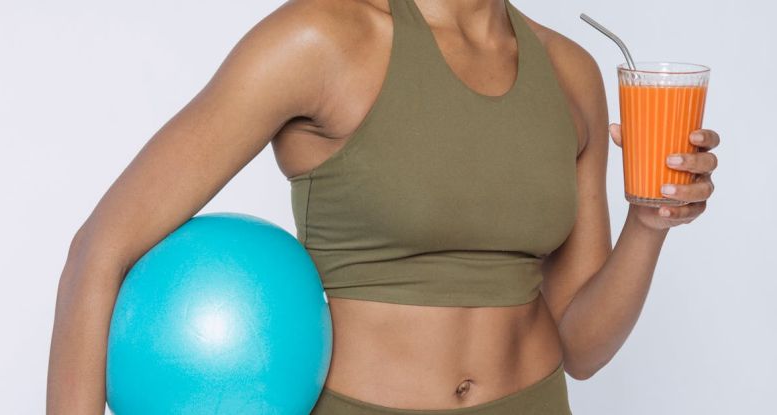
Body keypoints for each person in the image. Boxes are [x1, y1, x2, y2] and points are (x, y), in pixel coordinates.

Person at [46, 0, 721, 413]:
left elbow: (580, 346)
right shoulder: (321, 38)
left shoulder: (571, 71)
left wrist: (648, 222)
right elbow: (100, 249)